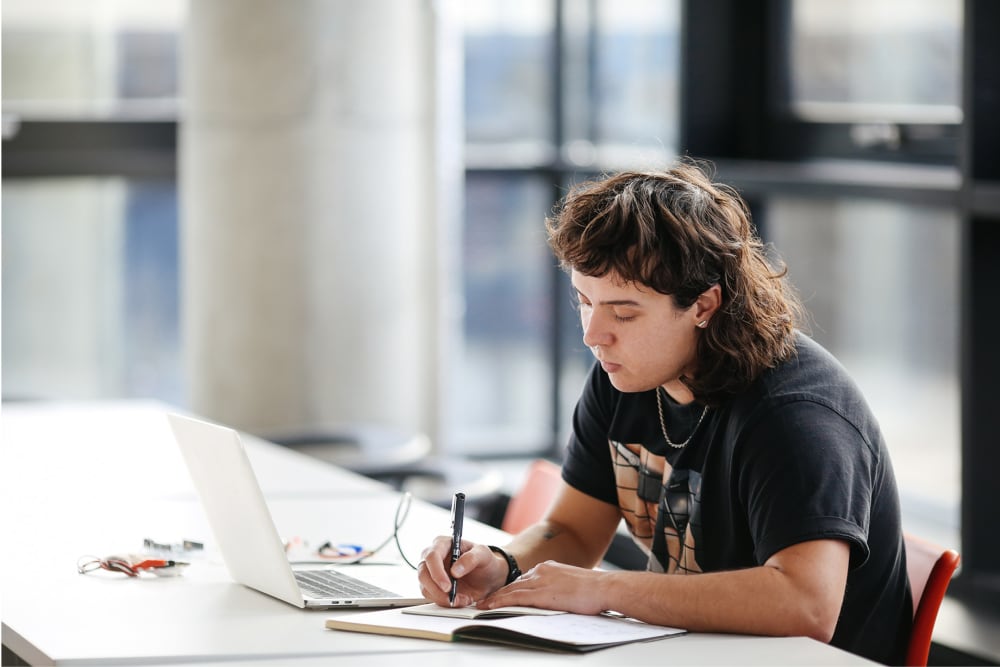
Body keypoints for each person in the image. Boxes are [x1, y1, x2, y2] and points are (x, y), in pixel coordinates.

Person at [417, 161, 912, 665]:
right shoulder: (627, 374)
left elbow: (805, 605)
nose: (593, 334)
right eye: (584, 302)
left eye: (624, 312)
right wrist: (502, 565)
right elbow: (574, 531)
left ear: (704, 306)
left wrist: (605, 591)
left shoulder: (795, 416)